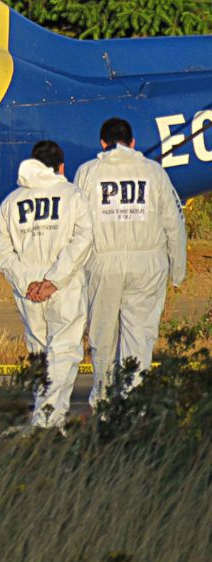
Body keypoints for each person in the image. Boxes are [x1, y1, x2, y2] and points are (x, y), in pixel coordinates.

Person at [74, 117, 187, 407]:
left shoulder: (88, 173)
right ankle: (134, 403)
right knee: (140, 337)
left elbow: (76, 227)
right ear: (133, 142)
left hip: (103, 263)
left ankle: (101, 398)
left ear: (102, 143)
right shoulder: (154, 172)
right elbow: (174, 223)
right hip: (148, 264)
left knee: (102, 334)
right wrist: (178, 270)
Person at [0, 140, 93, 428]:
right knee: (65, 352)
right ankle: (47, 419)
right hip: (64, 286)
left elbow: (1, 250)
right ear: (61, 167)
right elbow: (83, 239)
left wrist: (27, 282)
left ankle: (50, 418)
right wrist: (53, 280)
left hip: (28, 291)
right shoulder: (72, 195)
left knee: (39, 353)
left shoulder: (12, 202)